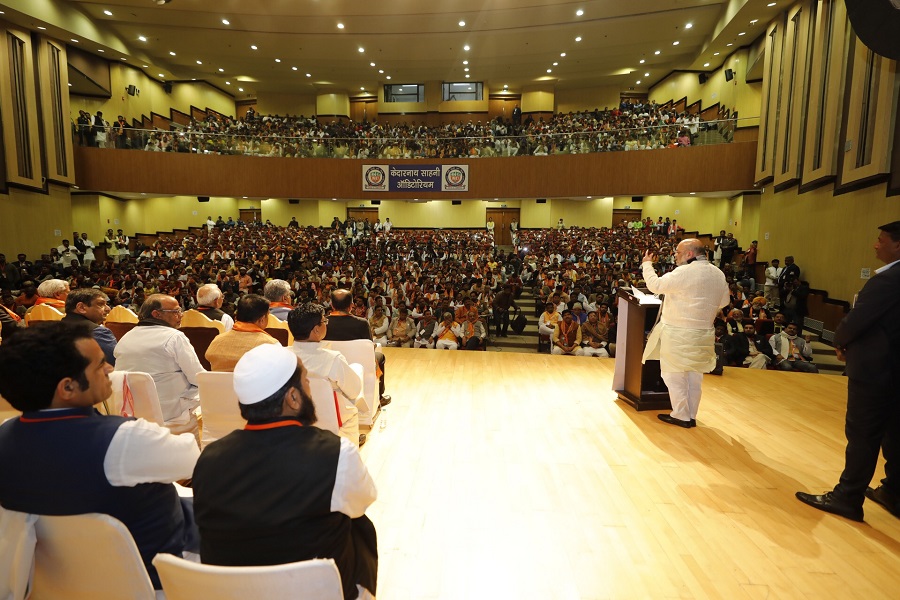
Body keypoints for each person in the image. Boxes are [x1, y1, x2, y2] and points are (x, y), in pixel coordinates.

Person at [0, 323, 200, 589]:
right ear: (68, 387)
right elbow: (190, 458)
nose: (110, 369)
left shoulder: (5, 437)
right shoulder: (123, 440)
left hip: (56, 583)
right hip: (152, 579)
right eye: (99, 365)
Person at [191, 344, 378, 600]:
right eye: (306, 382)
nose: (311, 389)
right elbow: (362, 501)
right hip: (309, 591)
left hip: (232, 592)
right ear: (293, 397)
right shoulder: (335, 452)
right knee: (359, 524)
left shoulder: (208, 458)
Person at [796, 221, 900, 522]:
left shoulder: (888, 281)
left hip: (876, 368)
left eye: (881, 240)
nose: (875, 245)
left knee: (863, 434)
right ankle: (893, 492)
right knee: (895, 433)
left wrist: (840, 343)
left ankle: (847, 497)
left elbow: (856, 320)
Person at [641, 239, 730, 428]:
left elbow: (655, 285)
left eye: (678, 252)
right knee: (694, 377)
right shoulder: (718, 274)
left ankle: (681, 415)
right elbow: (723, 302)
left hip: (678, 332)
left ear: (689, 254)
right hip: (703, 333)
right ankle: (691, 415)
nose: (675, 255)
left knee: (673, 375)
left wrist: (647, 264)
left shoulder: (684, 272)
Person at [114, 294, 207, 434]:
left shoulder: (126, 337)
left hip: (134, 412)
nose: (180, 315)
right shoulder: (174, 337)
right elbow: (198, 377)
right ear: (157, 314)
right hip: (171, 413)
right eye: (176, 312)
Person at [287, 302, 365, 446]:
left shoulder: (282, 355)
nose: (326, 324)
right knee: (357, 372)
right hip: (333, 419)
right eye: (324, 321)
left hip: (294, 418)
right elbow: (354, 392)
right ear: (316, 330)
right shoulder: (332, 359)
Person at [325, 289, 390, 405]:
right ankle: (379, 397)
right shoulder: (362, 323)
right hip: (358, 363)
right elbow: (370, 347)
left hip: (330, 363)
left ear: (332, 305)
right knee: (380, 356)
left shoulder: (323, 323)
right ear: (351, 306)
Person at [205, 294, 279, 372]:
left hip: (219, 384)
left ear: (236, 316)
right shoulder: (271, 345)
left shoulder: (217, 341)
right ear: (262, 319)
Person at [62, 288, 118, 366]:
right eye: (101, 304)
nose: (108, 309)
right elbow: (115, 364)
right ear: (81, 308)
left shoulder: (52, 329)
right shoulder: (99, 333)